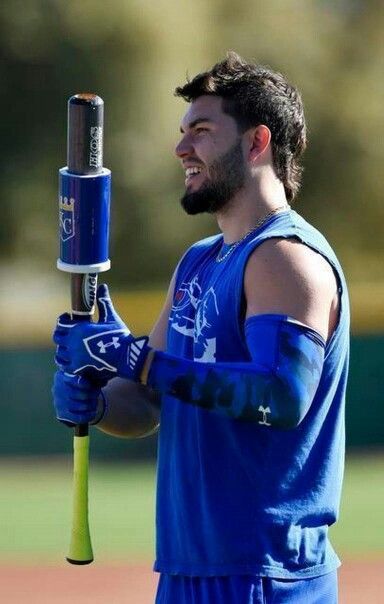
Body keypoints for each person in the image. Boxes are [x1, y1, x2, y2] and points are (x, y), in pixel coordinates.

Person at [53, 52, 349, 603]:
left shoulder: (286, 258)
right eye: (183, 132)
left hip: (265, 575)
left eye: (203, 131)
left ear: (256, 143)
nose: (181, 148)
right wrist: (98, 400)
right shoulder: (198, 262)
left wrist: (137, 358)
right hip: (188, 569)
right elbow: (146, 402)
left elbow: (283, 399)